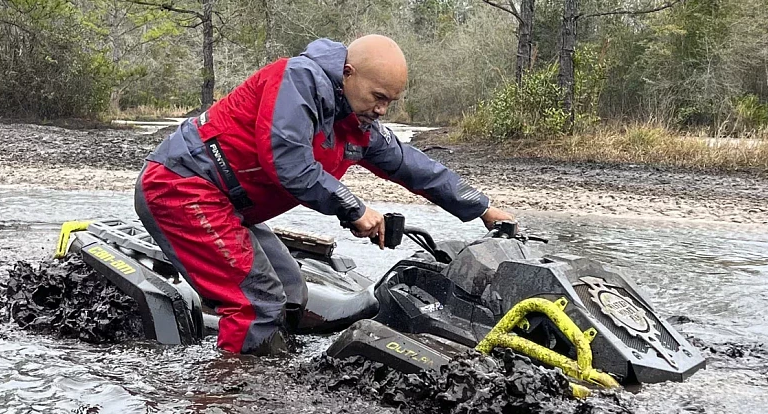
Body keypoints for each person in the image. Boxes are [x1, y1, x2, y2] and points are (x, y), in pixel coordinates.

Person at [134, 34, 515, 356]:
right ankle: (229, 401)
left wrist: (482, 208)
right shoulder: (297, 79)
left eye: (390, 102)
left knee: (290, 292)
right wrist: (353, 208)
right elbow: (288, 161)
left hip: (230, 205)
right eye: (378, 97)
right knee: (257, 303)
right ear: (348, 73)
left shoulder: (357, 120)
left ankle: (268, 364)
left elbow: (412, 166)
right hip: (182, 187)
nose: (382, 110)